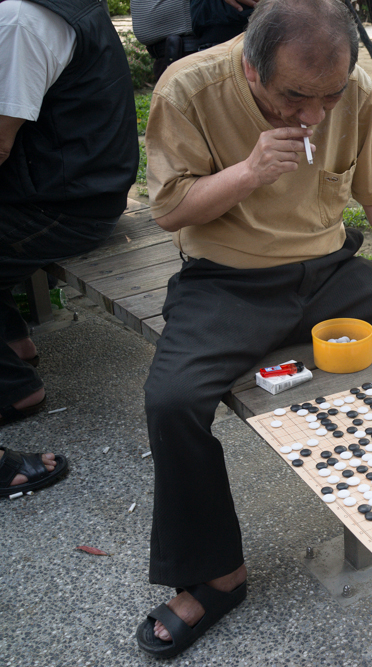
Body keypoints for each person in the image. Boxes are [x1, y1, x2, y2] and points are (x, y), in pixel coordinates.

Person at [134, 0, 372, 657]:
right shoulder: (188, 86)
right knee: (173, 400)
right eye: (295, 97)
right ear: (249, 68)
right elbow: (169, 209)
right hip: (226, 280)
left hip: (327, 271)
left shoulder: (347, 91)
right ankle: (216, 573)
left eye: (329, 96)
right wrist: (247, 172)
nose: (313, 116)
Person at [0, 0, 138, 492]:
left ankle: (15, 390)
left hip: (64, 204)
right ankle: (15, 353)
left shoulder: (19, 18)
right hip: (82, 184)